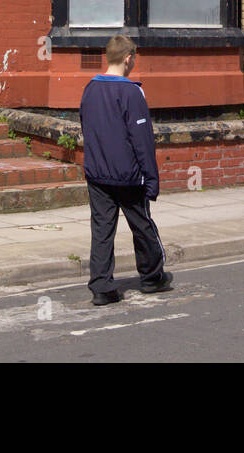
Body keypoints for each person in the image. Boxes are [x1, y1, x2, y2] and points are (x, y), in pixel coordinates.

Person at [78, 34, 173, 305]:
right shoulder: (132, 92)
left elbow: (87, 128)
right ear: (129, 58)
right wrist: (152, 180)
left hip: (97, 173)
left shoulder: (89, 89)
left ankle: (102, 287)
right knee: (142, 225)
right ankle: (152, 277)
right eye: (134, 59)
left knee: (102, 230)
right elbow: (142, 140)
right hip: (129, 175)